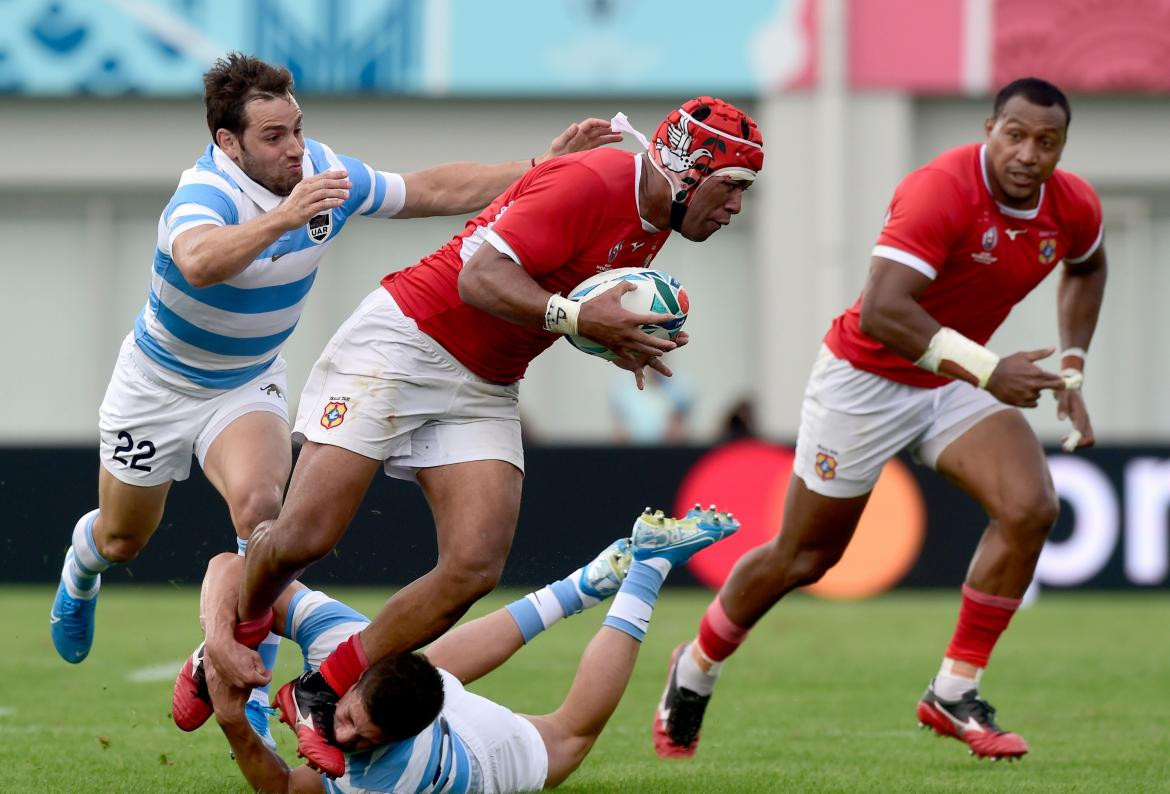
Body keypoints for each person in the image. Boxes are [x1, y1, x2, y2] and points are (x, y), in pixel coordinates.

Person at [184, 96, 765, 771]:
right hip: (404, 344)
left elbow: (554, 300)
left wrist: (609, 337)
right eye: (732, 186)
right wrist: (581, 319)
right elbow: (480, 276)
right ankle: (227, 644)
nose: (736, 207)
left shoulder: (652, 216)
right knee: (305, 538)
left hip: (486, 378)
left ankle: (321, 687)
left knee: (474, 565)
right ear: (688, 169)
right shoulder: (596, 180)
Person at [48, 51, 619, 737]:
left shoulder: (317, 170)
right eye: (272, 137)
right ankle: (83, 567)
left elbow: (427, 190)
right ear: (226, 143)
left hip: (246, 380)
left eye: (296, 129)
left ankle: (242, 678)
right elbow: (199, 262)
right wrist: (284, 219)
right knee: (123, 538)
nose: (293, 148)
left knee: (264, 513)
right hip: (158, 385)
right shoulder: (205, 194)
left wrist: (540, 170)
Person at [652, 78, 1106, 762]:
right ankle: (694, 667)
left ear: (1061, 148)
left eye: (1047, 142)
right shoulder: (942, 189)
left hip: (953, 379)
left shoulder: (1073, 205)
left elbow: (1089, 265)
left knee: (1031, 507)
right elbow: (883, 313)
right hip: (866, 378)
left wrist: (1071, 366)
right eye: (1015, 134)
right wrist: (989, 369)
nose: (1028, 153)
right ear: (990, 127)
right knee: (805, 557)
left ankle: (953, 691)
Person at [185, 506, 739, 790]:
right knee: (426, 664)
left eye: (361, 736)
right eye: (350, 718)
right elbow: (233, 569)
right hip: (401, 683)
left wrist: (238, 723)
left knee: (571, 734)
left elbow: (282, 788)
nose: (343, 735)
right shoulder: (348, 646)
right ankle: (586, 584)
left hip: (475, 758)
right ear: (358, 674)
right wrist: (222, 639)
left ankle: (649, 568)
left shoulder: (378, 780)